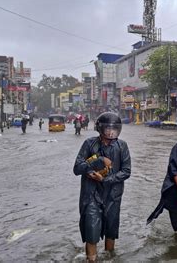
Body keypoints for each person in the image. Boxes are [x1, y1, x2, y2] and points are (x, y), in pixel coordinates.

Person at [73, 112, 131, 262]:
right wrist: (97, 159)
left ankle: (110, 257)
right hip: (91, 195)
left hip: (113, 195)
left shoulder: (122, 146)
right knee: (91, 231)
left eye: (114, 129)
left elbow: (126, 171)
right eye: (108, 129)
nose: (111, 132)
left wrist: (105, 179)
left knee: (111, 231)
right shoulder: (89, 144)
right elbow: (77, 168)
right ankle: (91, 259)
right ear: (100, 129)